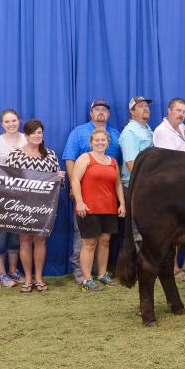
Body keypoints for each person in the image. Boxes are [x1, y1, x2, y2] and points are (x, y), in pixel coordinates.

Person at [62, 99, 121, 284]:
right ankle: (81, 274)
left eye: (104, 109)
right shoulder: (79, 132)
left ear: (108, 113)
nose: (101, 112)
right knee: (84, 237)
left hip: (107, 198)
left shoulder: (115, 134)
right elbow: (70, 158)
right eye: (97, 109)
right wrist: (74, 187)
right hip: (86, 194)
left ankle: (100, 273)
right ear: (91, 112)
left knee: (104, 239)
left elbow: (115, 167)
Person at [6, 119, 65, 293]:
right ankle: (28, 279)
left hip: (43, 206)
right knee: (24, 241)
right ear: (26, 135)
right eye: (34, 132)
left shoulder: (51, 155)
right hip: (22, 205)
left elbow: (58, 185)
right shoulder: (15, 155)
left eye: (40, 132)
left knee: (40, 240)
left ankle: (39, 278)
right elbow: (8, 182)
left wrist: (59, 178)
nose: (38, 135)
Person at [70, 127, 126, 291]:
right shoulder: (85, 158)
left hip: (108, 208)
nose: (100, 143)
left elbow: (117, 184)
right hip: (89, 208)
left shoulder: (113, 162)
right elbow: (75, 180)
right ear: (91, 143)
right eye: (97, 140)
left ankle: (102, 275)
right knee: (89, 244)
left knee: (105, 242)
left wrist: (121, 203)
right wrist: (79, 202)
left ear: (108, 142)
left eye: (103, 140)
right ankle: (87, 279)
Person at [153, 98, 185, 282]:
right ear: (169, 111)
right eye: (178, 110)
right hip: (171, 188)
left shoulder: (181, 130)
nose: (181, 114)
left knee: (182, 228)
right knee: (171, 229)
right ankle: (171, 268)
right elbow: (170, 162)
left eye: (184, 112)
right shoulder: (162, 132)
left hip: (184, 186)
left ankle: (179, 266)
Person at [0, 109, 27, 287]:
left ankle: (13, 270)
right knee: (1, 234)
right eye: (7, 122)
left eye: (14, 120)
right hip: (1, 197)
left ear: (19, 121)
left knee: (16, 236)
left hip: (23, 196)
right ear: (2, 124)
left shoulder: (27, 139)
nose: (11, 124)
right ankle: (1, 273)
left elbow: (38, 162)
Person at [118, 96, 153, 248]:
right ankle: (140, 269)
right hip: (135, 187)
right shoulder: (130, 132)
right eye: (140, 106)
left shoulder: (147, 129)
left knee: (148, 228)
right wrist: (149, 183)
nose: (145, 108)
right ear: (132, 112)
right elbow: (132, 163)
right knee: (138, 231)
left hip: (147, 185)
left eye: (146, 106)